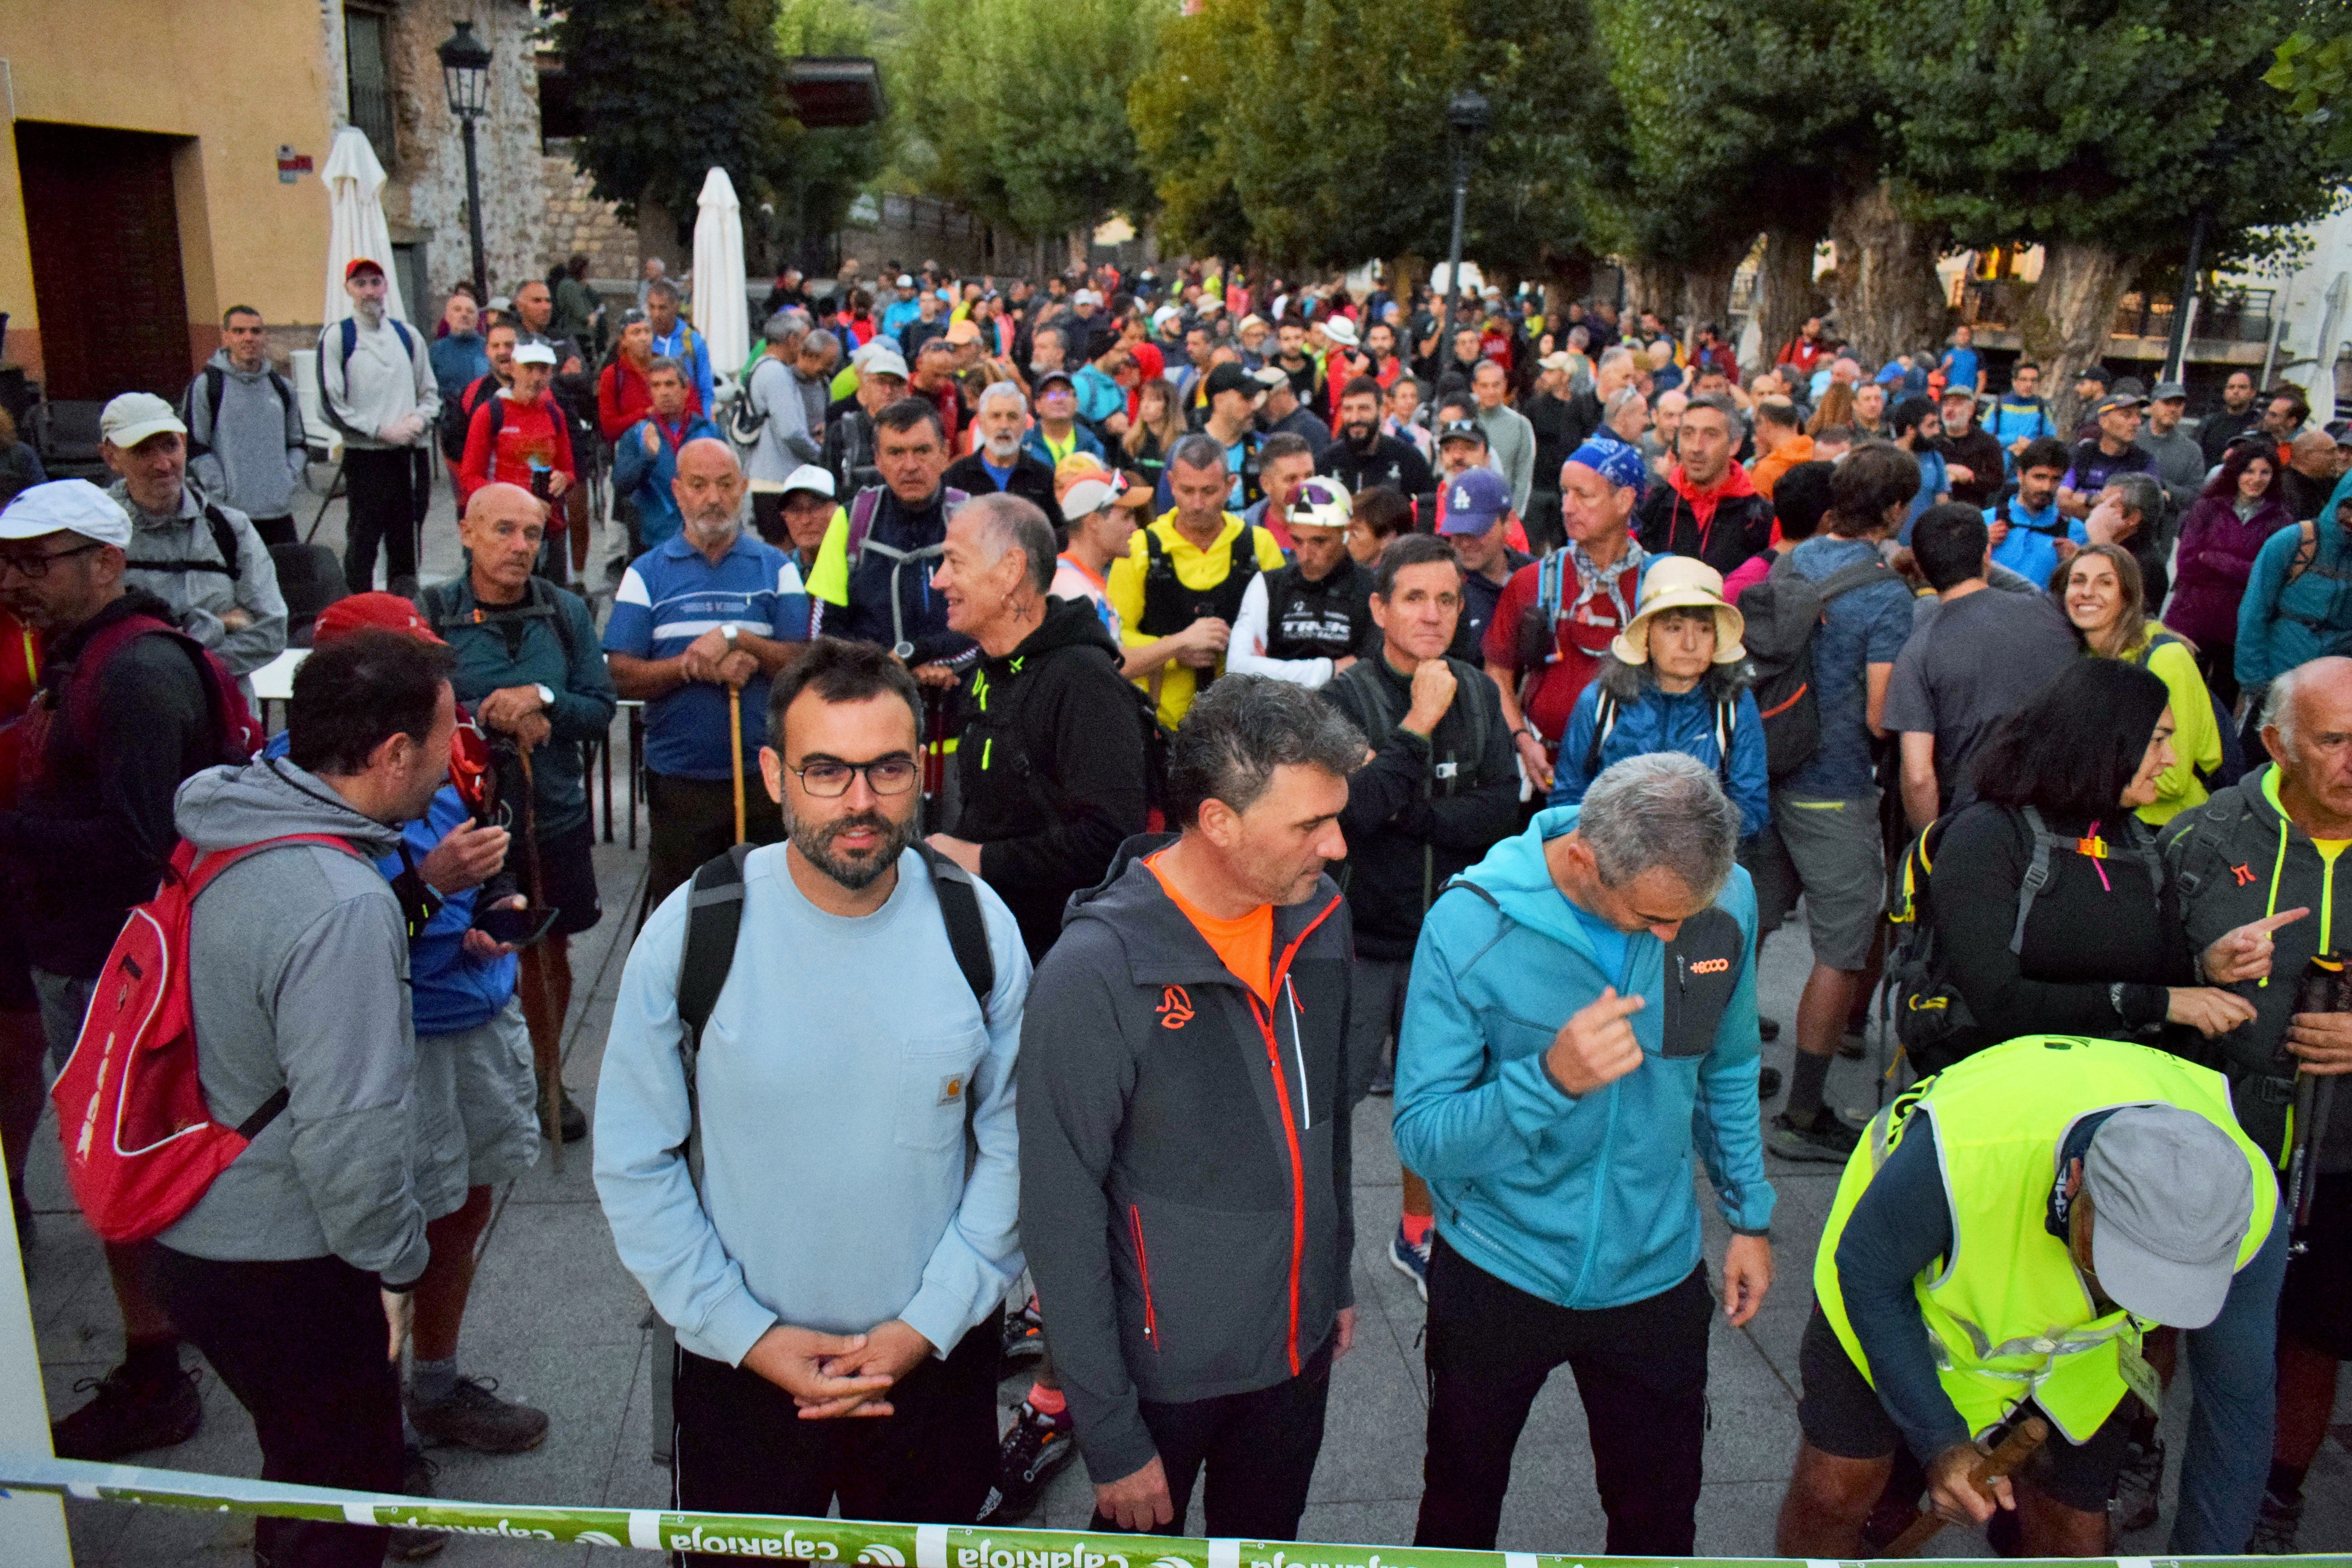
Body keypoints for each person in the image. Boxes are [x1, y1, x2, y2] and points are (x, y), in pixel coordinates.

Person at [595, 637, 1027, 1543]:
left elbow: (1016, 1144)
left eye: (886, 769)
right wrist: (744, 1332)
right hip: (741, 1372)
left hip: (934, 1371)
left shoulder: (977, 928)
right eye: (826, 770)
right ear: (775, 773)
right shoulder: (696, 928)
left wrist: (927, 1323)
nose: (859, 801)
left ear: (923, 770)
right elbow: (636, 1157)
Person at [1397, 751, 1773, 1552]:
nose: (1677, 934)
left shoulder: (1721, 899)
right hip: (1501, 1266)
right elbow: (1423, 1132)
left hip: (1656, 1271)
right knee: (1459, 1514)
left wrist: (1749, 1216)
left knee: (1659, 1523)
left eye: (1690, 914)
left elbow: (1731, 1062)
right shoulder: (1471, 921)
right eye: (1653, 917)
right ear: (1582, 860)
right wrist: (1550, 1078)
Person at [1018, 675, 1361, 1541]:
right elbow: (1058, 1215)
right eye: (1310, 824)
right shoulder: (1092, 972)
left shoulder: (1319, 916)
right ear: (1217, 821)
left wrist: (1336, 1271)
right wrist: (1106, 1427)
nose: (1339, 842)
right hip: (1163, 1381)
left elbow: (1329, 1122)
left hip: (1298, 1349)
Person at [156, 630, 463, 1568]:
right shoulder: (340, 901)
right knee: (341, 1494)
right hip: (285, 1257)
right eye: (449, 734)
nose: (459, 751)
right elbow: (352, 1125)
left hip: (197, 1220)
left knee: (298, 1468)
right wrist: (395, 1267)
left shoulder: (233, 821)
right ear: (394, 755)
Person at [1777, 1034, 2284, 1559]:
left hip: (2081, 1357)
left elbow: (2237, 1411)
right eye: (2120, 1264)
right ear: (2075, 1184)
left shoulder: (2246, 1210)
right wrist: (1940, 1442)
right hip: (1905, 1293)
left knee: (2074, 1535)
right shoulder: (1970, 1150)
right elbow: (1868, 1274)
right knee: (1835, 1489)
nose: (2131, 1295)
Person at [0, 481, 249, 1462]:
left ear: (107, 563)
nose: (18, 581)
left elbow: (146, 840)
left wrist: (9, 829)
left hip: (116, 968)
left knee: (120, 1158)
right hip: (85, 957)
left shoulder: (137, 672)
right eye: (10, 562)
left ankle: (160, 1360)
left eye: (38, 561)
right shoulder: (94, 659)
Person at [2162, 659, 2352, 1550]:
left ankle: (2278, 1497)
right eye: (2335, 740)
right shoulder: (2204, 836)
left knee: (2316, 1332)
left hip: (2341, 1153)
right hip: (2210, 1135)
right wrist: (2198, 971)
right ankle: (2131, 1452)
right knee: (2162, 1305)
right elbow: (2131, 981)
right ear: (2276, 743)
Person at [1321, 531, 1517, 1279]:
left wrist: (1414, 811)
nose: (1432, 615)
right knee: (1328, 1107)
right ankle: (1318, 1241)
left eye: (1446, 599)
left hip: (1454, 936)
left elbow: (1502, 809)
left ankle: (1418, 1231)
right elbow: (1351, 814)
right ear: (1380, 606)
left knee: (1440, 1098)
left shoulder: (1475, 688)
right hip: (1362, 940)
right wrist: (1415, 729)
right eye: (1414, 598)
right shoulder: (1343, 699)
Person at [418, 483, 616, 1145]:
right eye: (503, 530)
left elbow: (597, 707)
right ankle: (464, 1085)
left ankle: (545, 1074)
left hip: (548, 814)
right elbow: (411, 711)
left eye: (532, 534)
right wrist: (485, 715)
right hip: (458, 820)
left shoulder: (564, 612)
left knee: (545, 951)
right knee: (453, 946)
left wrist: (543, 699)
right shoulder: (435, 610)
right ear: (467, 532)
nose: (520, 547)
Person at [1758, 444, 1918, 1162]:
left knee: (1751, 930)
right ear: (1894, 510)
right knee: (1842, 950)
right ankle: (1803, 1110)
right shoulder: (1885, 597)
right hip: (1835, 787)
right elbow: (1883, 715)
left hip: (1767, 771)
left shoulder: (1792, 562)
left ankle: (1724, 1077)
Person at [927, 493, 1148, 960]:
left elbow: (1113, 839)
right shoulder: (987, 670)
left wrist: (981, 859)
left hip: (1067, 959)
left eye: (953, 562)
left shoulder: (1084, 680)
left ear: (1011, 570)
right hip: (997, 943)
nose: (938, 580)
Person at [605, 439, 806, 913]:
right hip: (680, 780)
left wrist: (740, 641)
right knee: (685, 915)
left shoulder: (778, 568)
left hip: (765, 777)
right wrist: (691, 666)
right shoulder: (645, 573)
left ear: (741, 489)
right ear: (678, 492)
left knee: (770, 911)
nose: (712, 498)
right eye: (698, 486)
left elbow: (801, 663)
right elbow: (620, 676)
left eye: (724, 485)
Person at [1886, 505, 2081, 829]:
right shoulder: (2055, 614)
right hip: (2059, 815)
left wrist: (1929, 847)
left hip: (1972, 826)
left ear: (1918, 566)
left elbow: (1919, 778)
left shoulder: (1917, 650)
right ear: (1988, 552)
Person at [1548, 558, 1768, 839]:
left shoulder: (1733, 704)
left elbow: (1751, 807)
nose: (1690, 644)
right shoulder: (1604, 701)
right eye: (1674, 628)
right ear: (1647, 635)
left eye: (1704, 629)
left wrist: (1686, 851)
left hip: (1700, 871)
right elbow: (1567, 799)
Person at [1488, 440, 1650, 794]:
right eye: (1564, 492)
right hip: (1547, 773)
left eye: (1584, 495)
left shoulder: (1658, 585)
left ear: (1624, 501)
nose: (1567, 506)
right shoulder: (1534, 580)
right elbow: (1498, 673)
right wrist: (1522, 741)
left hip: (1635, 782)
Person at [99, 393, 288, 683]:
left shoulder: (230, 529)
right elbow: (97, 640)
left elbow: (271, 632)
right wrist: (218, 625)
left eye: (170, 445)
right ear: (111, 457)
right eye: (142, 451)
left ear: (185, 445)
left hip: (222, 714)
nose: (163, 464)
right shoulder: (95, 533)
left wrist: (179, 665)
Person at [1110, 433, 1290, 731]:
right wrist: (1175, 649)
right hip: (1160, 723)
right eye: (1187, 490)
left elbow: (1283, 633)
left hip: (1242, 727)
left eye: (1208, 491)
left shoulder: (1259, 546)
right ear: (1170, 483)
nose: (1197, 504)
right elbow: (1114, 644)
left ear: (1231, 486)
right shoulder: (1139, 549)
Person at [808, 400, 971, 686]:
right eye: (896, 453)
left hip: (960, 699)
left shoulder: (974, 520)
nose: (910, 466)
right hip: (874, 700)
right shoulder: (851, 520)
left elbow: (995, 618)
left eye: (922, 451)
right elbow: (824, 631)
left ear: (945, 454)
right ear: (878, 460)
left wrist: (930, 656)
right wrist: (891, 668)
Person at [2060, 543, 2220, 826]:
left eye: (2105, 583)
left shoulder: (2165, 659)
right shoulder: (2081, 657)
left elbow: (2172, 779)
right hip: (2110, 819)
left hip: (2165, 829)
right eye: (2078, 581)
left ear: (2129, 595)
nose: (2087, 592)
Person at [318, 258, 438, 595]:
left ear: (386, 287)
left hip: (409, 455)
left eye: (375, 282)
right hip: (366, 457)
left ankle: (405, 615)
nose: (369, 291)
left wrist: (419, 419)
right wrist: (378, 430)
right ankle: (360, 613)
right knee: (363, 542)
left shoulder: (407, 335)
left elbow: (431, 393)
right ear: (349, 290)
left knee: (407, 541)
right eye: (361, 284)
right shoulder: (338, 337)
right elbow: (330, 404)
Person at [184, 305, 310, 550]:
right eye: (239, 331)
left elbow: (298, 443)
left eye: (256, 331)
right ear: (226, 337)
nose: (248, 338)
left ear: (265, 337)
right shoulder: (208, 385)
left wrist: (287, 480)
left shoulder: (282, 387)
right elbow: (196, 446)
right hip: (229, 515)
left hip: (278, 514)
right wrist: (220, 490)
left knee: (286, 581)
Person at [1229, 477, 1373, 688]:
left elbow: (1371, 672)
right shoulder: (1269, 585)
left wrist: (1271, 669)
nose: (1305, 555)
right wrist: (1330, 670)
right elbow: (1237, 669)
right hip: (1279, 717)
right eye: (1297, 540)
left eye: (1319, 541)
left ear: (1346, 533)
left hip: (1346, 716)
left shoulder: (1372, 589)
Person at [1635, 394, 1774, 579]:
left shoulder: (1760, 518)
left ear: (1735, 445)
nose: (1696, 447)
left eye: (1711, 435)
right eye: (1688, 434)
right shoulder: (1656, 504)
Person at [457, 342, 576, 532]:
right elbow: (470, 477)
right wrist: (515, 502)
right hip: (503, 525)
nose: (536, 377)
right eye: (529, 369)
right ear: (513, 369)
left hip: (547, 522)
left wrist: (563, 479)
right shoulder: (490, 412)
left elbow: (569, 471)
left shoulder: (555, 414)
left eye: (544, 370)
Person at [612, 356, 723, 552]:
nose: (664, 392)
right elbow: (622, 484)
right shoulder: (638, 434)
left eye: (670, 384)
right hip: (655, 541)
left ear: (686, 389)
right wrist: (647, 458)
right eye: (656, 386)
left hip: (705, 537)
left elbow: (728, 481)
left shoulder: (708, 432)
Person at [740, 312, 826, 536]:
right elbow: (790, 431)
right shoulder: (776, 372)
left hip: (768, 477)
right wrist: (819, 454)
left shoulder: (761, 367)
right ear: (792, 340)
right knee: (784, 552)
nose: (806, 349)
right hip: (777, 481)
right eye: (804, 341)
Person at [1438, 466, 1534, 665]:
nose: (1465, 543)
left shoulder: (1539, 578)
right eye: (1457, 532)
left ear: (1509, 522)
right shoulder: (1443, 587)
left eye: (1476, 530)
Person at [946, 382, 1065, 535]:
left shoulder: (1044, 477)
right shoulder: (957, 478)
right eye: (996, 416)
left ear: (1024, 424)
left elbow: (1055, 535)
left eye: (1012, 417)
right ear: (981, 423)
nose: (1004, 425)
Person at [1986, 436, 2082, 588]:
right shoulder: (1985, 521)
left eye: (2056, 479)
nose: (2047, 487)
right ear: (2021, 476)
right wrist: (1979, 544)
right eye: (2039, 477)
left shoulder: (2075, 531)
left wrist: (2079, 561)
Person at [1318, 375, 1433, 497]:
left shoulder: (1408, 459)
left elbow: (1430, 507)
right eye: (1348, 409)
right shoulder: (1327, 463)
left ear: (1382, 410)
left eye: (1364, 409)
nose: (1355, 418)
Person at [823, 344, 910, 499]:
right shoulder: (843, 431)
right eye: (881, 382)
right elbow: (827, 487)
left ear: (907, 390)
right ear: (866, 387)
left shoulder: (917, 431)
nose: (888, 390)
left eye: (896, 383)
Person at [2058, 392, 2152, 519]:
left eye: (2139, 416)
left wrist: (2081, 499)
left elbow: (2134, 514)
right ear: (2104, 422)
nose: (2137, 422)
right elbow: (2062, 500)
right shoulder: (2083, 453)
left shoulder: (2144, 461)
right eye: (2127, 415)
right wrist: (2096, 500)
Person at [2136, 379, 2204, 532]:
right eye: (2167, 403)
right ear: (2152, 406)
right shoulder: (2133, 439)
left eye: (2178, 405)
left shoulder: (2191, 451)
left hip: (2164, 529)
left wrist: (2167, 490)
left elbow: (2196, 495)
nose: (2173, 409)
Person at [1470, 359, 1535, 517]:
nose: (1491, 391)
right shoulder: (1465, 422)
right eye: (1485, 386)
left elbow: (1524, 478)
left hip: (1504, 514)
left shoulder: (1521, 425)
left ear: (1505, 385)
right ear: (1475, 387)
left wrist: (1515, 517)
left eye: (1496, 385)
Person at [642, 277, 714, 416]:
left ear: (676, 307)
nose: (657, 315)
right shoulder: (643, 340)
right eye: (652, 307)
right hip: (651, 422)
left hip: (687, 423)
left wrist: (705, 426)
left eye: (663, 308)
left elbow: (706, 391)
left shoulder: (694, 342)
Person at [1890, 395, 1952, 541]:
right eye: (1931, 426)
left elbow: (1942, 504)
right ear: (1911, 429)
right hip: (1889, 545)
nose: (1937, 431)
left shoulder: (1935, 458)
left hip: (1923, 544)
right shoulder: (1884, 458)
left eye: (1938, 425)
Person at [1935, 385, 2002, 510]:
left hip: (1973, 511)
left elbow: (1996, 481)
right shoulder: (1933, 441)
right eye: (1947, 405)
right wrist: (1946, 471)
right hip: (1937, 511)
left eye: (1957, 405)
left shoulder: (1987, 442)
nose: (1950, 410)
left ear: (1971, 410)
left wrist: (1970, 478)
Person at [1748, 397, 1815, 500]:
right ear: (1797, 424)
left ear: (1767, 423)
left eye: (1757, 424)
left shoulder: (1765, 472)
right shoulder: (1818, 454)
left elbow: (1758, 514)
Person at [429, 292, 490, 407]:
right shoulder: (437, 351)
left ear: (478, 319)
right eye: (458, 310)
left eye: (470, 311)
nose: (464, 315)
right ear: (447, 317)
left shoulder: (489, 348)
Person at [2201, 370, 2265, 467]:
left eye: (2242, 387)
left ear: (2252, 392)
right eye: (2231, 387)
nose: (2235, 392)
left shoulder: (2260, 424)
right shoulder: (2209, 422)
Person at [2283, 428, 2341, 523]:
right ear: (2306, 456)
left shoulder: (2328, 483)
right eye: (2330, 452)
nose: (2337, 457)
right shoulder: (2284, 489)